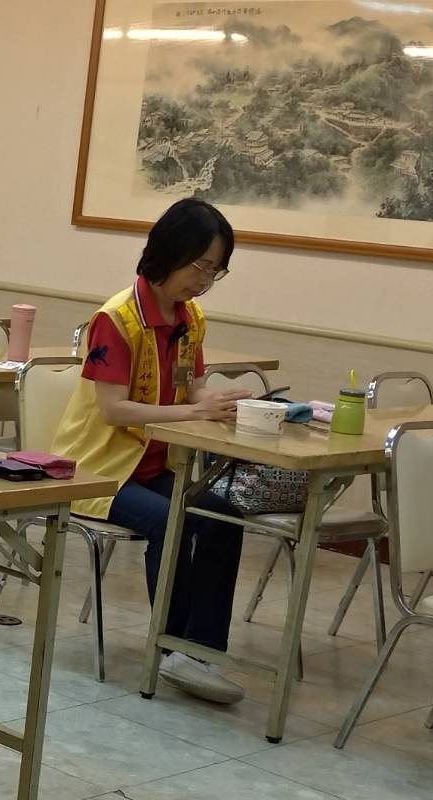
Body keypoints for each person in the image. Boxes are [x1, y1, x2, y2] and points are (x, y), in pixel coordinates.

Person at [51, 197, 251, 705]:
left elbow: (192, 387)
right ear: (169, 251)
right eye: (199, 266)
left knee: (222, 516)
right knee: (170, 521)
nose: (203, 280)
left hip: (153, 464)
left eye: (216, 271)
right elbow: (114, 409)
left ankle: (201, 651)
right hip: (96, 468)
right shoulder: (116, 318)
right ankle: (171, 647)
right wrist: (194, 411)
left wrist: (223, 405)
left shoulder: (191, 319)